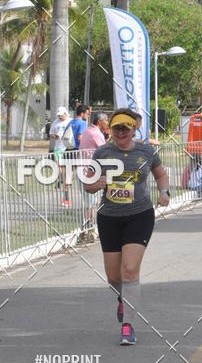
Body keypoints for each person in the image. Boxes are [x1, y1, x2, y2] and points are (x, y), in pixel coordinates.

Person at [84, 108, 170, 346]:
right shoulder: (102, 152)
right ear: (110, 130)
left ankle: (128, 326)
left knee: (129, 270)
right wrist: (94, 183)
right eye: (116, 128)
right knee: (113, 277)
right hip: (109, 217)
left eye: (125, 128)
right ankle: (123, 298)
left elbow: (161, 174)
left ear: (134, 129)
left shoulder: (146, 151)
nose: (121, 132)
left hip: (139, 215)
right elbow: (87, 184)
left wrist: (164, 191)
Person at [77, 111, 109, 242]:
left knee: (89, 203)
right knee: (92, 204)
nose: (107, 122)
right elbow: (105, 151)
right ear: (99, 122)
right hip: (90, 172)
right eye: (106, 120)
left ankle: (86, 230)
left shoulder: (88, 131)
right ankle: (89, 230)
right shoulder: (95, 133)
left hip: (84, 171)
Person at [49, 107, 73, 205]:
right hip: (58, 147)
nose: (60, 116)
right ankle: (61, 179)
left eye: (61, 115)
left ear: (65, 113)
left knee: (68, 169)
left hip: (68, 147)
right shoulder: (55, 122)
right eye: (58, 115)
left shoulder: (71, 121)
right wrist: (56, 136)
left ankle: (65, 182)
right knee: (58, 166)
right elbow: (51, 134)